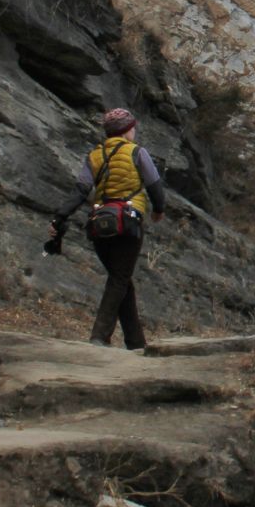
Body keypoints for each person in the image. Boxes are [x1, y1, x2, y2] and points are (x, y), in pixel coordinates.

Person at [49, 108, 166, 349]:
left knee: (122, 279)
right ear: (126, 130)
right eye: (132, 127)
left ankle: (136, 342)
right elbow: (155, 185)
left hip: (99, 225)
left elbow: (80, 190)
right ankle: (99, 336)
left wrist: (59, 216)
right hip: (128, 222)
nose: (134, 131)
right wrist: (158, 209)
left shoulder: (94, 155)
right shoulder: (137, 152)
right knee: (119, 278)